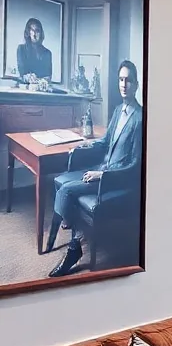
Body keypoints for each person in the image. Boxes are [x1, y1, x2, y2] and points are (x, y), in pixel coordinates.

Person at [48, 61, 143, 277]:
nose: (123, 84)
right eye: (121, 79)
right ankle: (78, 236)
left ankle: (75, 246)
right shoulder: (119, 110)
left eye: (128, 80)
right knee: (64, 186)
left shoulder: (140, 118)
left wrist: (103, 175)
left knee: (66, 191)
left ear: (136, 85)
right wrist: (84, 146)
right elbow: (106, 141)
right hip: (103, 169)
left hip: (116, 178)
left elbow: (135, 164)